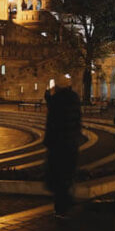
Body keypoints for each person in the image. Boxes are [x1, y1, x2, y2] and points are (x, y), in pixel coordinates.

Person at [44, 80, 82, 218]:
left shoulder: (56, 102)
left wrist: (48, 142)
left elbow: (52, 124)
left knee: (58, 175)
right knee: (67, 175)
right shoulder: (74, 99)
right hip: (71, 143)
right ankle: (65, 204)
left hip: (58, 144)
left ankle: (61, 207)